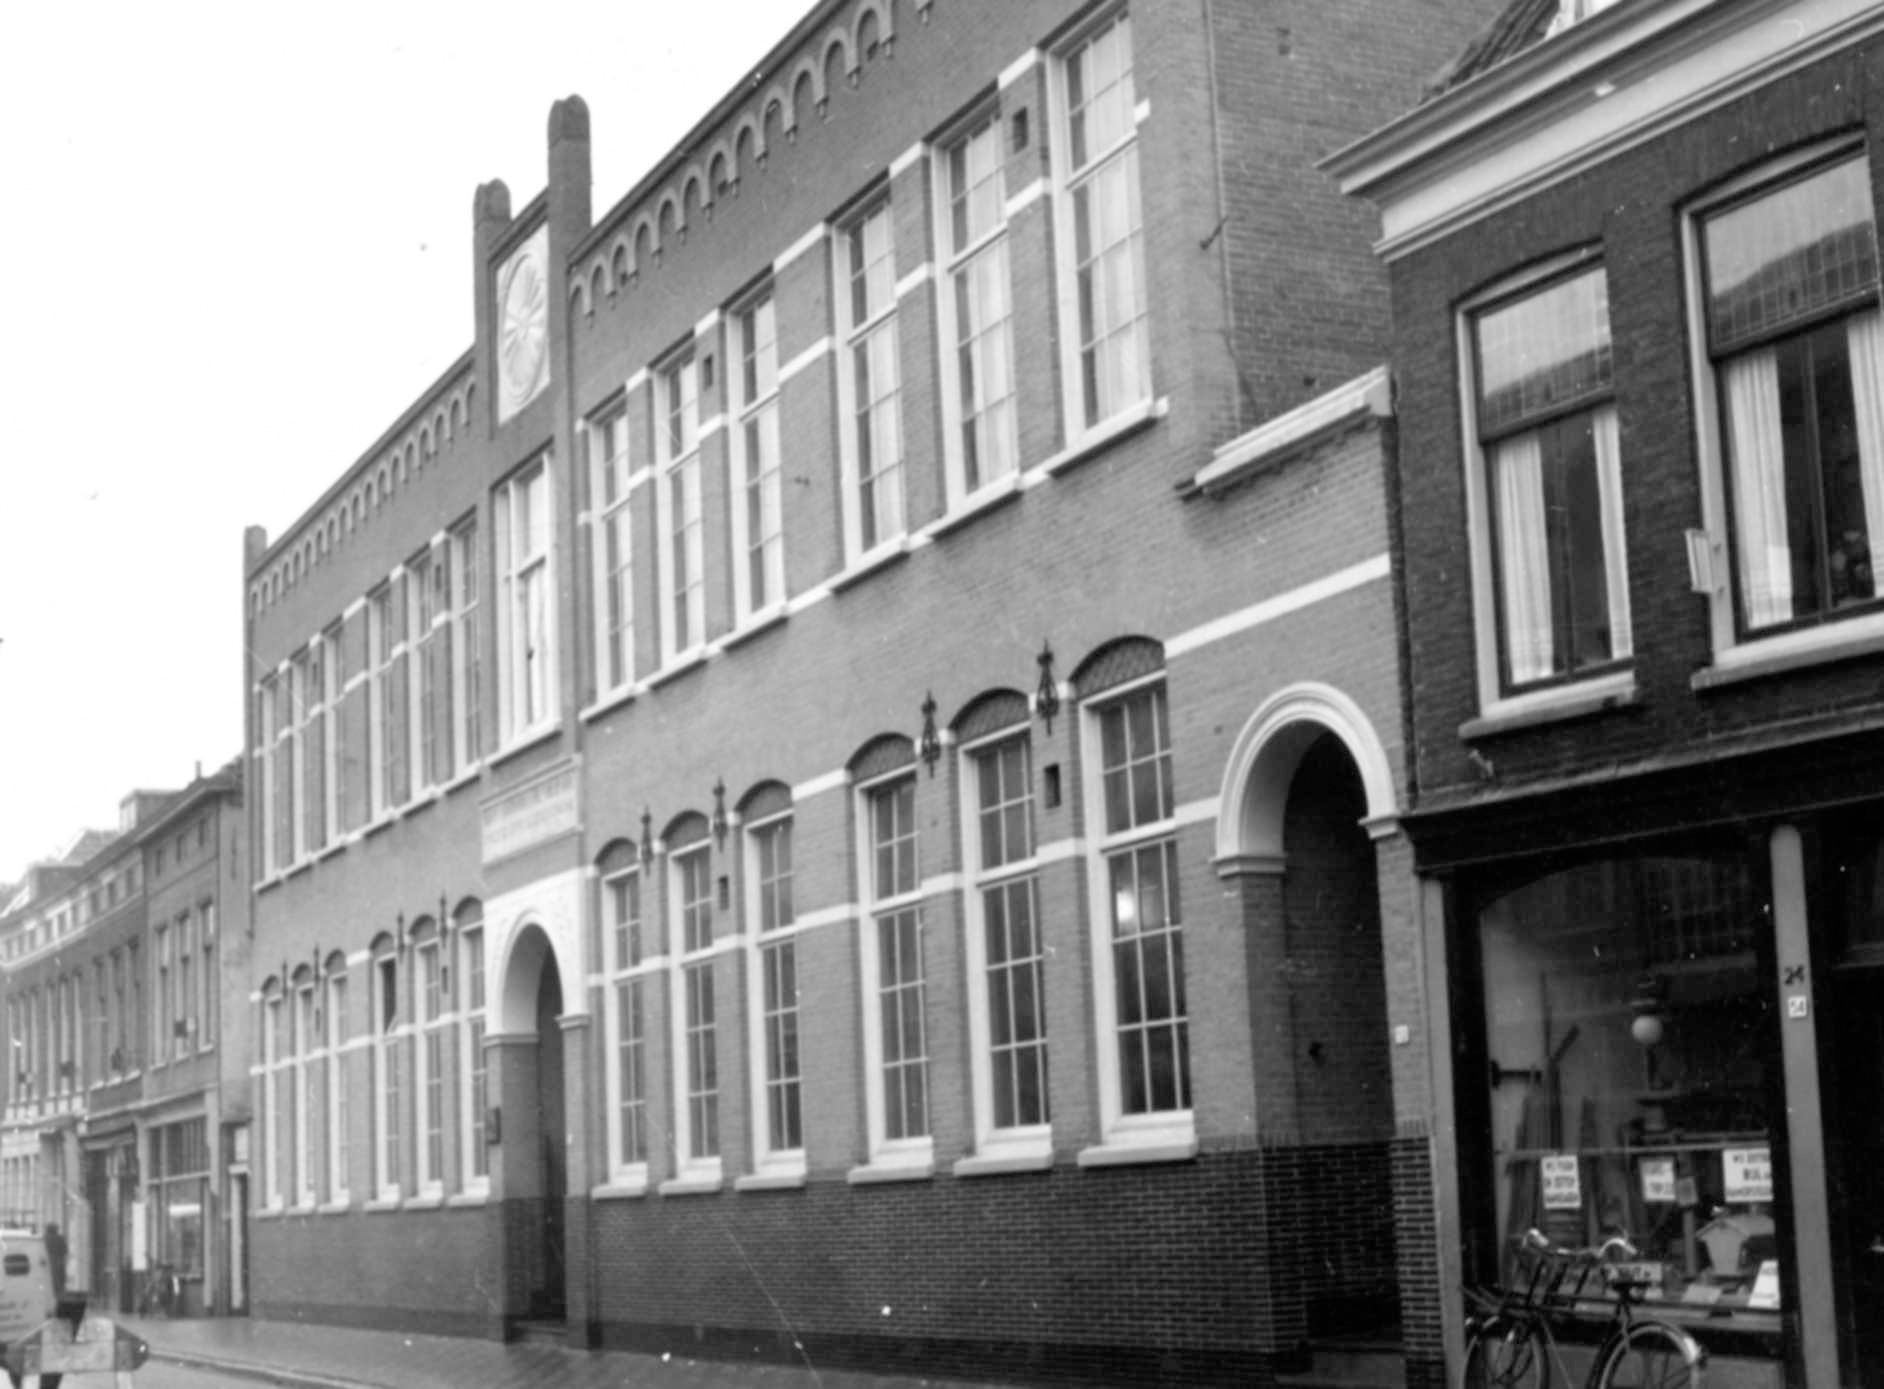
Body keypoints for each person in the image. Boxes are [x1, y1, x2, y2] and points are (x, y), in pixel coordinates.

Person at [43, 1222, 66, 1298]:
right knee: (58, 1281)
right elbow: (64, 1251)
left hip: (45, 1263)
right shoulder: (60, 1238)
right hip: (58, 1262)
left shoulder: (43, 1239)